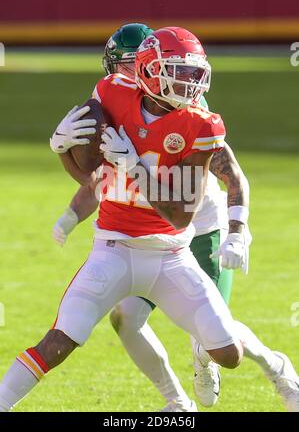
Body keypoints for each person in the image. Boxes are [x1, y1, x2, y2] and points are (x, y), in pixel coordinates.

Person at [52, 24, 299, 412]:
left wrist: (237, 230)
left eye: (135, 64)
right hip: (151, 236)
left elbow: (232, 174)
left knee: (211, 337)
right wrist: (63, 152)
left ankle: (277, 369)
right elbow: (105, 178)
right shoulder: (118, 101)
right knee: (125, 319)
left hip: (199, 227)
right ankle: (177, 402)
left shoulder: (189, 110)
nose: (128, 73)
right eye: (123, 65)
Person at [0, 26, 245, 413]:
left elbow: (181, 214)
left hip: (172, 255)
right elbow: (92, 176)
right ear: (148, 70)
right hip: (112, 249)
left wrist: (132, 165)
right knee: (60, 340)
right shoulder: (111, 93)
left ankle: (196, 368)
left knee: (229, 354)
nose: (189, 82)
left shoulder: (201, 124)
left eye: (193, 72)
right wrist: (61, 147)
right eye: (178, 71)